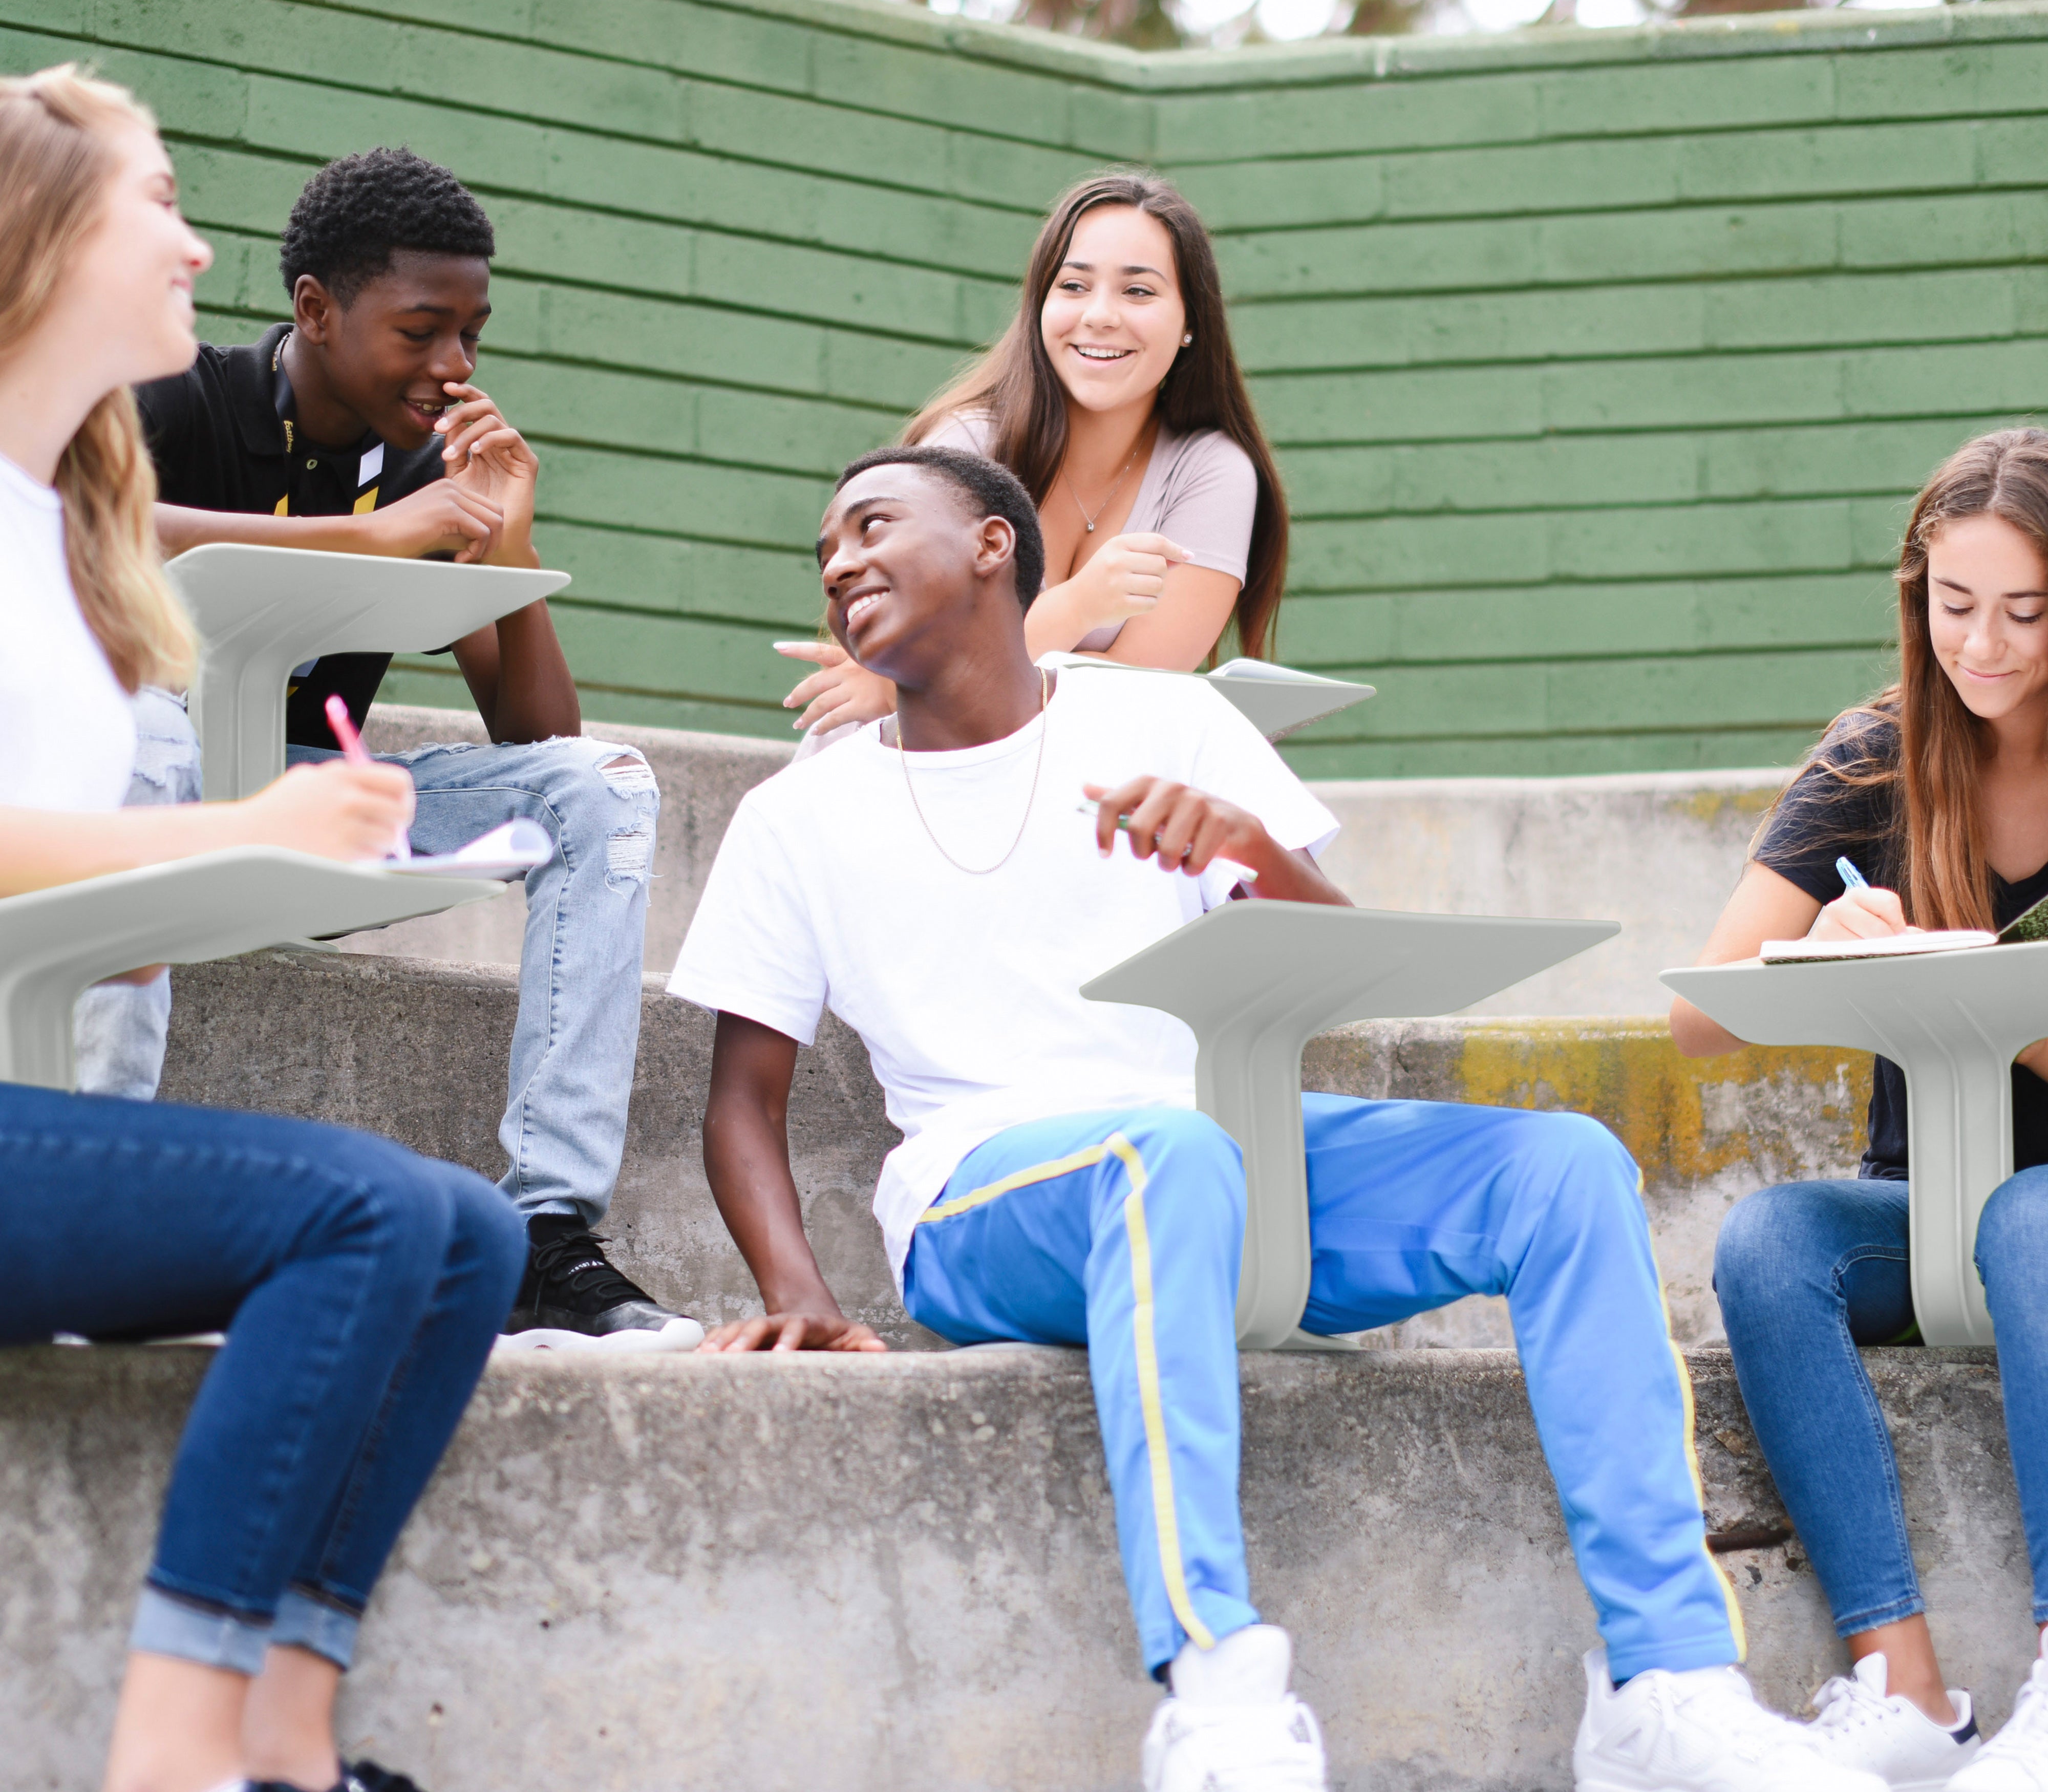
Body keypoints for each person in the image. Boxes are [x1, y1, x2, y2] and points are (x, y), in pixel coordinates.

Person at [669, 441, 1885, 1792]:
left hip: (1222, 1155)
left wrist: (1248, 848)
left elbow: (1342, 964)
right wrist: (798, 1287)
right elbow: (743, 1098)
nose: (839, 562)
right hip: (986, 1200)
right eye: (825, 549)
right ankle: (1218, 1690)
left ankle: (1669, 1684)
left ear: (994, 545)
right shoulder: (800, 815)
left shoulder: (1167, 721)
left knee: (1561, 1166)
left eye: (872, 526)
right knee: (1165, 1154)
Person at [0, 63, 526, 1792]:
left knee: (468, 1235)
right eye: (160, 203)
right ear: (43, 235)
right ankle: (171, 1761)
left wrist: (228, 874)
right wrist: (238, 831)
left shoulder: (69, 537)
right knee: (366, 1212)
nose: (201, 249)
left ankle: (291, 1744)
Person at [131, 145, 697, 1353]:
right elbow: (86, 526)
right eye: (424, 330)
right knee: (138, 730)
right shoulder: (182, 395)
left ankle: (546, 1237)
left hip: (316, 800)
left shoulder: (437, 466)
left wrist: (505, 546)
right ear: (316, 308)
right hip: (148, 795)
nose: (455, 367)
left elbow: (536, 738)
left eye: (473, 335)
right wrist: (380, 535)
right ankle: (87, 1193)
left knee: (599, 788)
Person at [1677, 425, 2048, 1791]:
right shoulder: (1878, 752)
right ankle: (1908, 1691)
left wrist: (1991, 993)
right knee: (1769, 1243)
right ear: (1917, 595)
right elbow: (1698, 1012)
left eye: (2027, 611)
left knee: (2031, 1222)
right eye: (1957, 608)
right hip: (1918, 1202)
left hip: (2040, 1214)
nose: (1987, 647)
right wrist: (1832, 956)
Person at [775, 170, 1289, 739]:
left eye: (1138, 291)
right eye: (1073, 286)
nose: (1100, 315)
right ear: (1039, 305)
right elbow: (919, 663)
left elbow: (1143, 690)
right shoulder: (965, 447)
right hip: (904, 771)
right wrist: (1079, 606)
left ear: (1192, 320)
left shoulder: (1212, 470)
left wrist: (949, 667)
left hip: (1072, 784)